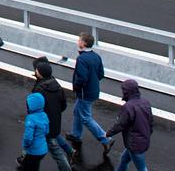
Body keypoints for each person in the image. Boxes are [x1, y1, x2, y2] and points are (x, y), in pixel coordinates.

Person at [70, 32, 114, 164]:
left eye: (79, 40)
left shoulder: (82, 59)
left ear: (83, 43)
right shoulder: (96, 56)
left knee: (86, 117)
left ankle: (105, 139)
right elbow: (101, 74)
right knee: (77, 111)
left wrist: (77, 87)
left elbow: (81, 78)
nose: (78, 42)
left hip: (84, 93)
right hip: (93, 91)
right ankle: (76, 135)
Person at [32, 59, 73, 171]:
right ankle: (24, 158)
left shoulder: (39, 89)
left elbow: (34, 108)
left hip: (43, 123)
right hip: (55, 121)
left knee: (55, 150)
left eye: (37, 70)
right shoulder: (56, 85)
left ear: (40, 73)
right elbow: (63, 104)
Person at [105, 79, 152, 171]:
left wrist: (108, 134)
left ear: (127, 92)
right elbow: (150, 122)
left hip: (134, 144)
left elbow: (120, 124)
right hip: (143, 140)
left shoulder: (128, 107)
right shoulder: (145, 102)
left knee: (142, 168)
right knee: (124, 159)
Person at [20, 91, 50, 171]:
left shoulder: (31, 118)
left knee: (28, 167)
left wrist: (25, 145)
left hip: (33, 150)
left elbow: (28, 137)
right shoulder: (44, 115)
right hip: (43, 149)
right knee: (33, 166)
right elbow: (47, 131)